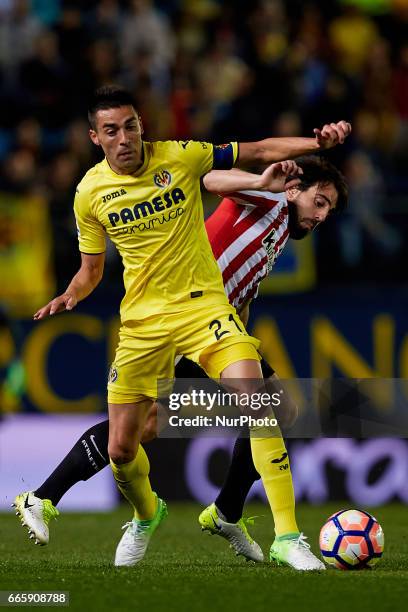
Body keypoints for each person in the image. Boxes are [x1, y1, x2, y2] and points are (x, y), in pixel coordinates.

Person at [14, 85, 350, 569]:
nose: (321, 216)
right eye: (319, 202)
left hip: (209, 319)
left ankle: (234, 515)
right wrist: (296, 157)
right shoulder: (266, 199)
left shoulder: (279, 230)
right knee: (137, 434)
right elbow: (216, 178)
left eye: (329, 211)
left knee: (271, 406)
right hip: (170, 316)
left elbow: (242, 286)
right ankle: (58, 497)